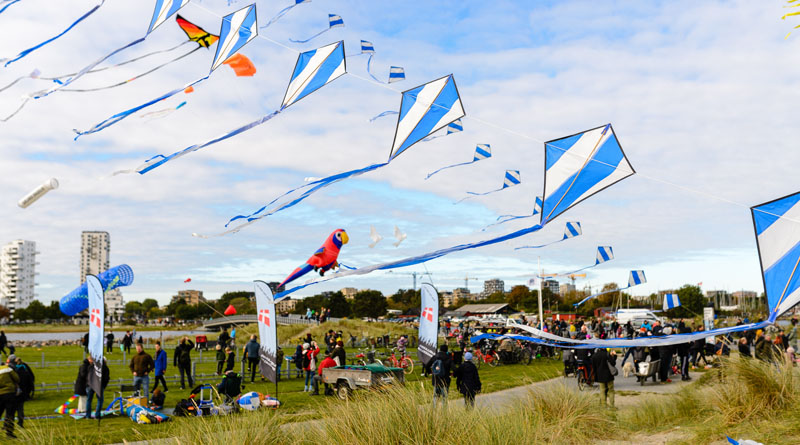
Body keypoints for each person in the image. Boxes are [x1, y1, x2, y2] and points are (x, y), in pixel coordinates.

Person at [10, 355, 34, 427]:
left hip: (14, 392)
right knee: (20, 409)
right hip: (23, 393)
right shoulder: (25, 372)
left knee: (11, 409)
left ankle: (10, 423)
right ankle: (20, 423)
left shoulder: (13, 371)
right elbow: (30, 382)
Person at [85, 356, 110, 420]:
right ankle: (97, 415)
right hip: (99, 385)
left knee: (89, 400)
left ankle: (88, 415)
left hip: (90, 384)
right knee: (100, 400)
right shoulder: (105, 368)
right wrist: (103, 386)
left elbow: (88, 375)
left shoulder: (91, 366)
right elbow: (106, 378)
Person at [0, 356, 19, 439]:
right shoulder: (8, 369)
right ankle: (9, 432)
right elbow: (17, 379)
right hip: (9, 393)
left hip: (0, 394)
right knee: (10, 414)